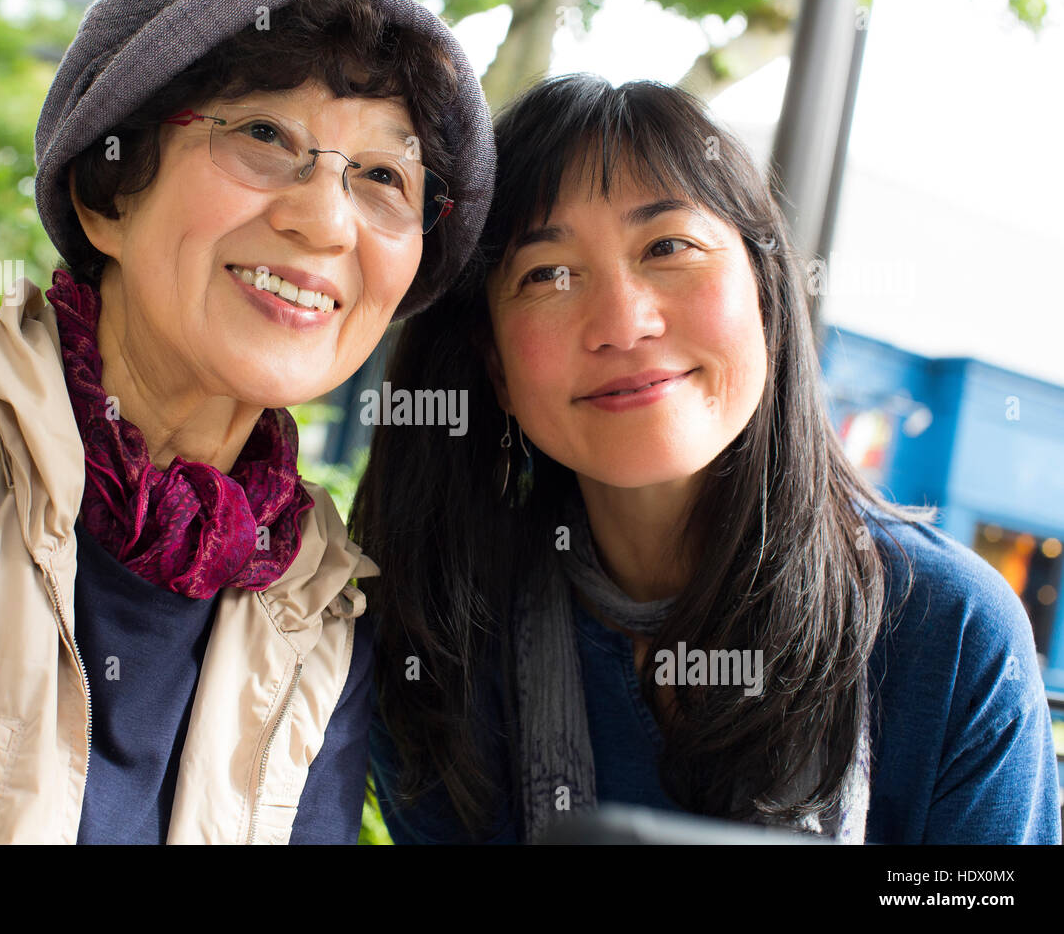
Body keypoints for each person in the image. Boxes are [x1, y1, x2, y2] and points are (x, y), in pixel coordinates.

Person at [0, 0, 494, 844]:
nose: (326, 222)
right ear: (108, 193)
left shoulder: (323, 606)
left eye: (382, 176)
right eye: (264, 133)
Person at [353, 73, 1061, 844]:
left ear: (765, 294)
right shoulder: (444, 631)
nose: (622, 322)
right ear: (496, 369)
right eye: (547, 273)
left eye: (669, 247)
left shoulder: (950, 633)